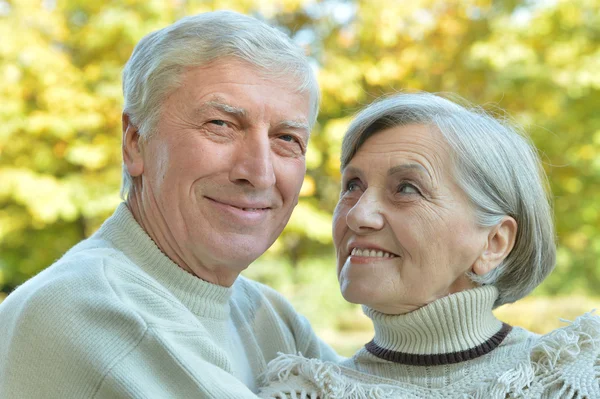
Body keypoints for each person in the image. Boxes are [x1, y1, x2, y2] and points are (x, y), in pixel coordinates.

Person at [0, 10, 339, 398]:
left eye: (287, 139)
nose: (259, 173)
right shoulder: (84, 308)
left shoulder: (269, 317)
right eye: (221, 125)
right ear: (134, 143)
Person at [259, 93, 600, 398]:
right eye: (352, 185)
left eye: (406, 188)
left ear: (494, 243)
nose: (358, 215)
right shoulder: (303, 393)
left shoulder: (575, 379)